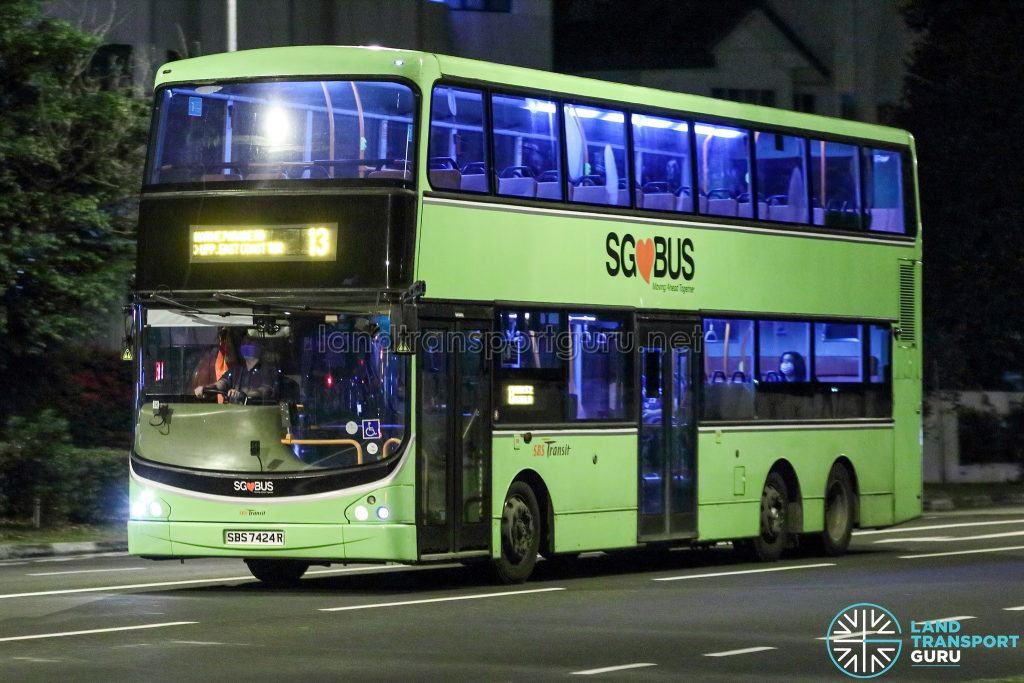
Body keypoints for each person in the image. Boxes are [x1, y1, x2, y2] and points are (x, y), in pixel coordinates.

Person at [195, 335, 277, 403]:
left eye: (250, 343)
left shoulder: (269, 370)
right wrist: (206, 389)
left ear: (260, 346)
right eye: (244, 343)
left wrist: (242, 394)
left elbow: (264, 391)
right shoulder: (236, 370)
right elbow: (221, 383)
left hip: (257, 415)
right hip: (233, 414)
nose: (245, 346)